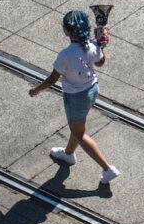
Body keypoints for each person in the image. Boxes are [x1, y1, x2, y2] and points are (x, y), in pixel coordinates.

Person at [28, 11, 120, 184]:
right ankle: (68, 154)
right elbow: (100, 62)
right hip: (92, 89)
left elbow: (52, 79)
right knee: (77, 125)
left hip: (76, 97)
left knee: (80, 133)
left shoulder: (65, 55)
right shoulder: (92, 45)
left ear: (66, 31)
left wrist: (36, 90)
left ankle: (107, 169)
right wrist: (100, 46)